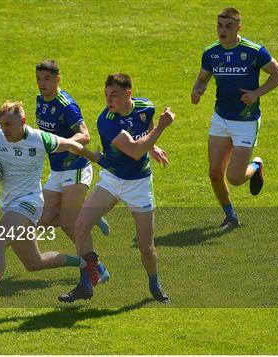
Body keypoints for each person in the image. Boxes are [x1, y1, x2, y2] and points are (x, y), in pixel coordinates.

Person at [0, 101, 98, 316]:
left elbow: (72, 145)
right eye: (2, 124)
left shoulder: (39, 138)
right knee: (34, 262)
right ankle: (85, 263)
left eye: (9, 124)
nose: (5, 129)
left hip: (29, 202)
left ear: (22, 122)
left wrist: (97, 159)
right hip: (9, 206)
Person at [58, 73, 174, 303]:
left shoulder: (145, 107)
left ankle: (154, 284)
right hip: (113, 179)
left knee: (145, 247)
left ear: (128, 94)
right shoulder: (108, 121)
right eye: (106, 96)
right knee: (80, 225)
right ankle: (86, 282)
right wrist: (160, 129)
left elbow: (146, 127)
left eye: (114, 95)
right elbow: (134, 150)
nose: (109, 101)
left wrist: (154, 146)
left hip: (140, 184)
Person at [191, 7, 278, 229]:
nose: (222, 30)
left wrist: (256, 94)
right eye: (219, 25)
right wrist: (197, 91)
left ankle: (256, 165)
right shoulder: (211, 52)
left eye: (228, 26)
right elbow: (203, 78)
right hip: (221, 118)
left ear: (238, 27)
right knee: (214, 172)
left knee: (234, 178)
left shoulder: (253, 51)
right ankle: (231, 216)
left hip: (246, 122)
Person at [34, 59, 110, 284]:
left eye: (47, 79)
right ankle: (88, 212)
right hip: (57, 170)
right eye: (38, 78)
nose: (41, 84)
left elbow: (84, 136)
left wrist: (62, 142)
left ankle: (97, 268)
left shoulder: (66, 105)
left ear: (58, 79)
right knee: (43, 218)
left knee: (68, 223)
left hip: (75, 168)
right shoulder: (40, 100)